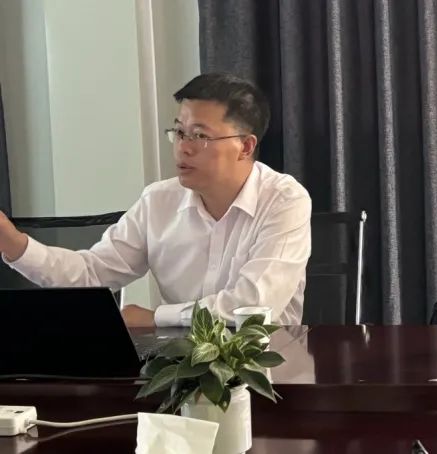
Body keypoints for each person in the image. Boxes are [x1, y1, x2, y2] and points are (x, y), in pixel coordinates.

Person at [0, 73, 311, 327]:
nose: (183, 147)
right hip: (176, 367)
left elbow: (253, 306)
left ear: (245, 146)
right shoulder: (159, 201)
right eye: (179, 132)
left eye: (200, 136)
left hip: (268, 368)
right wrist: (14, 244)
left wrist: (156, 318)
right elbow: (92, 275)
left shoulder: (284, 201)